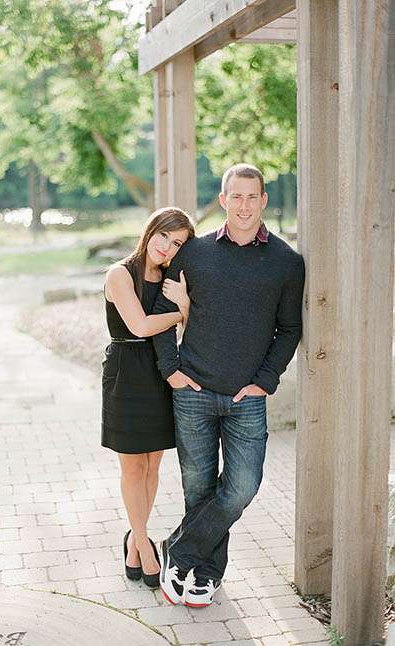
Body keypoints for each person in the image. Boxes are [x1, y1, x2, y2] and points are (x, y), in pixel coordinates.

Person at [152, 163, 304, 608]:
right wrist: (170, 369)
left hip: (246, 400)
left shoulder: (286, 262)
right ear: (223, 200)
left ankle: (177, 552)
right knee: (198, 490)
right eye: (235, 196)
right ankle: (205, 575)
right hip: (192, 392)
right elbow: (164, 310)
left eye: (252, 196)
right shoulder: (193, 254)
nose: (243, 205)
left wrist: (264, 382)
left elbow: (290, 328)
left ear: (263, 201)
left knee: (241, 487)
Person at [101, 207, 195, 588]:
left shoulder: (170, 279)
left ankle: (136, 542)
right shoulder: (119, 273)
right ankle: (141, 543)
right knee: (132, 468)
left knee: (153, 467)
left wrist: (185, 305)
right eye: (163, 236)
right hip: (126, 371)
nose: (166, 247)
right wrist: (181, 312)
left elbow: (189, 329)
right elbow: (139, 326)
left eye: (176, 244)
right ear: (150, 231)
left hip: (158, 371)